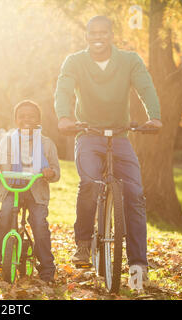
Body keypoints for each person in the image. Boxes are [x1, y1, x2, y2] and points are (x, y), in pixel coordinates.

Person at [54, 16, 162, 281]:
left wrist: (155, 115)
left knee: (135, 195)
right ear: (87, 36)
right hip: (88, 134)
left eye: (103, 32)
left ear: (112, 35)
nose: (98, 37)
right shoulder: (75, 61)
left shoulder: (129, 60)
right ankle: (83, 243)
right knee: (90, 183)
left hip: (120, 136)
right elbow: (64, 89)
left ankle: (138, 266)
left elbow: (145, 87)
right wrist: (64, 117)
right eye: (93, 33)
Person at [0, 100, 60, 283]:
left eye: (31, 116)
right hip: (12, 188)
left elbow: (56, 172)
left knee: (39, 223)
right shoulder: (8, 140)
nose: (27, 119)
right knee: (5, 215)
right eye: (22, 116)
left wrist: (50, 173)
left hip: (35, 190)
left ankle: (47, 267)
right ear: (16, 119)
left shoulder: (47, 143)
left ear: (38, 120)